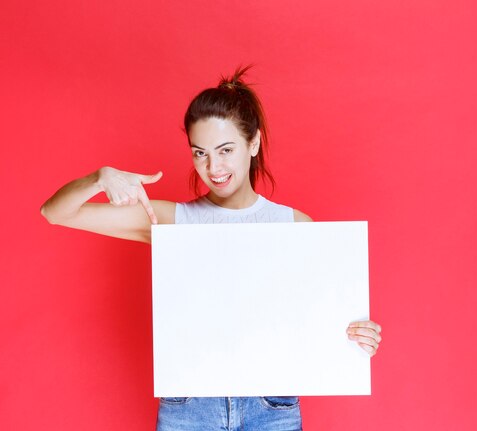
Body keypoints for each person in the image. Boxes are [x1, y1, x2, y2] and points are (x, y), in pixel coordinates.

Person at [41, 66, 382, 431]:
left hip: (271, 408)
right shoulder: (172, 222)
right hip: (190, 407)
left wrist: (359, 337)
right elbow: (56, 213)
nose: (213, 167)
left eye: (225, 150)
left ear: (254, 143)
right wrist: (99, 177)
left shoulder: (294, 226)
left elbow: (322, 320)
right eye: (199, 153)